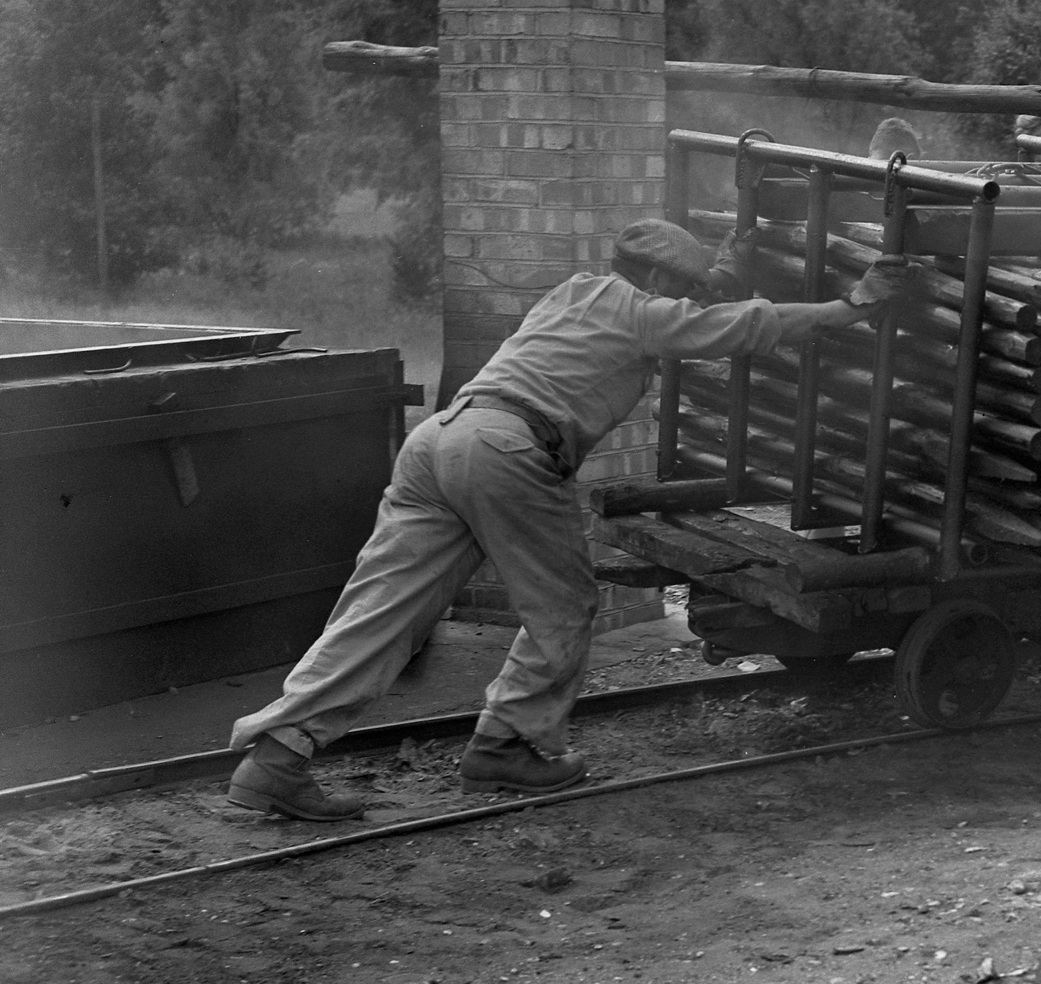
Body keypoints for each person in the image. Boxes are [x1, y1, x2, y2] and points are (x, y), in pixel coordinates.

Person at [226, 220, 913, 821]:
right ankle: (510, 744)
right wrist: (851, 307)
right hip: (508, 451)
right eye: (678, 285)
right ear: (647, 276)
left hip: (440, 442)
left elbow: (691, 306)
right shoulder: (643, 312)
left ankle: (277, 759)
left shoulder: (577, 292)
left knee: (381, 612)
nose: (686, 299)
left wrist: (732, 257)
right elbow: (735, 327)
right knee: (564, 606)